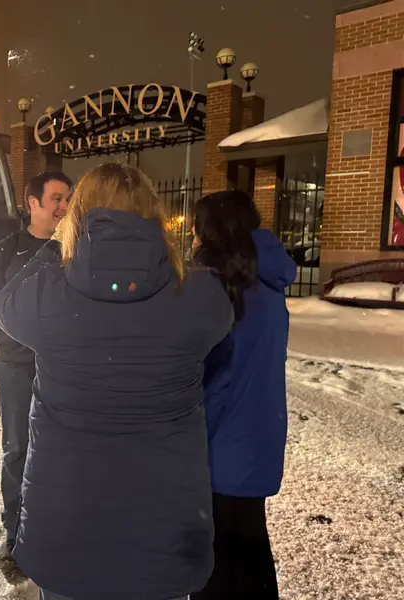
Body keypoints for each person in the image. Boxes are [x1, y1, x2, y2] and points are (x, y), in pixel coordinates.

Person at [0, 163, 234, 600]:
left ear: (77, 215)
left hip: (69, 527)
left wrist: (53, 246)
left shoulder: (49, 293)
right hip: (163, 529)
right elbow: (221, 328)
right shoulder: (198, 295)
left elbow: (4, 305)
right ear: (153, 214)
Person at [190, 191, 297, 600]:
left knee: (219, 561)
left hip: (223, 444)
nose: (194, 237)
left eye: (198, 227)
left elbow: (214, 380)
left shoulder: (218, 289)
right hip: (259, 434)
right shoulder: (266, 282)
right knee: (250, 546)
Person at [0, 171, 72, 585]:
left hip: (64, 368)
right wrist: (20, 324)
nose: (63, 208)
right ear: (32, 202)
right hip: (15, 367)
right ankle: (15, 538)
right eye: (56, 199)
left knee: (62, 451)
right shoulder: (7, 250)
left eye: (68, 200)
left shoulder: (74, 250)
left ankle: (56, 531)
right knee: (18, 452)